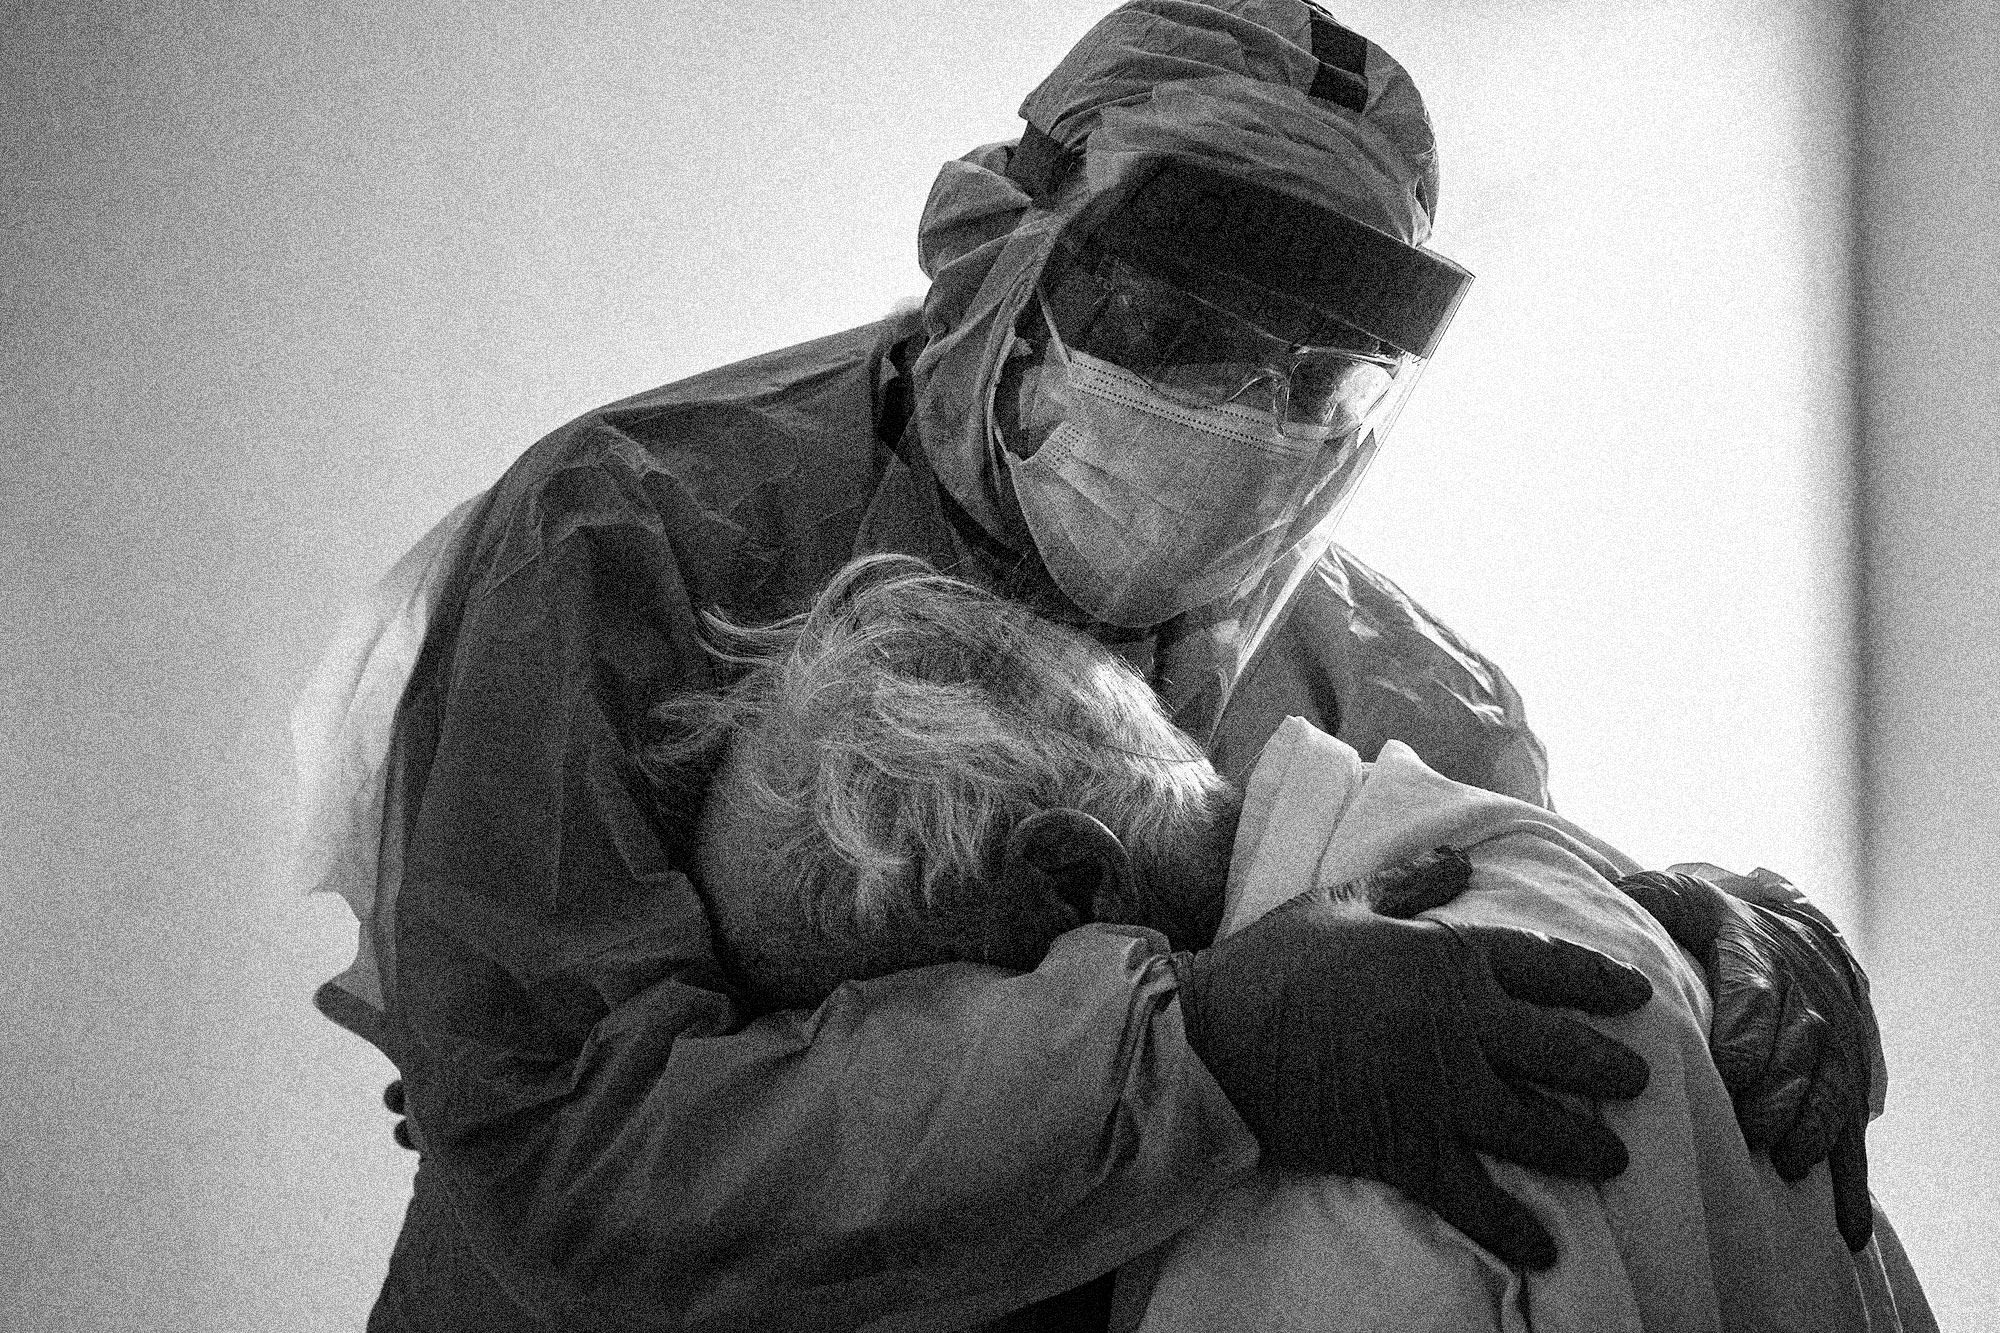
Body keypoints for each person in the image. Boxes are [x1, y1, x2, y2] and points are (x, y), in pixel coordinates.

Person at [293, 2, 1887, 1328]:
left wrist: (1702, 938)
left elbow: (1525, 981)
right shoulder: (631, 538)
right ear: (999, 254)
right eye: (1184, 326)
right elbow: (567, 1137)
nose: (1246, 412)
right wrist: (1194, 1050)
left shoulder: (1393, 685)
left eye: (1319, 374)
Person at [647, 552, 1931, 1331]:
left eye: (897, 1026)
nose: (915, 1113)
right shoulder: (1550, 880)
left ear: (1073, 884)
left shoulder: (1361, 1162)